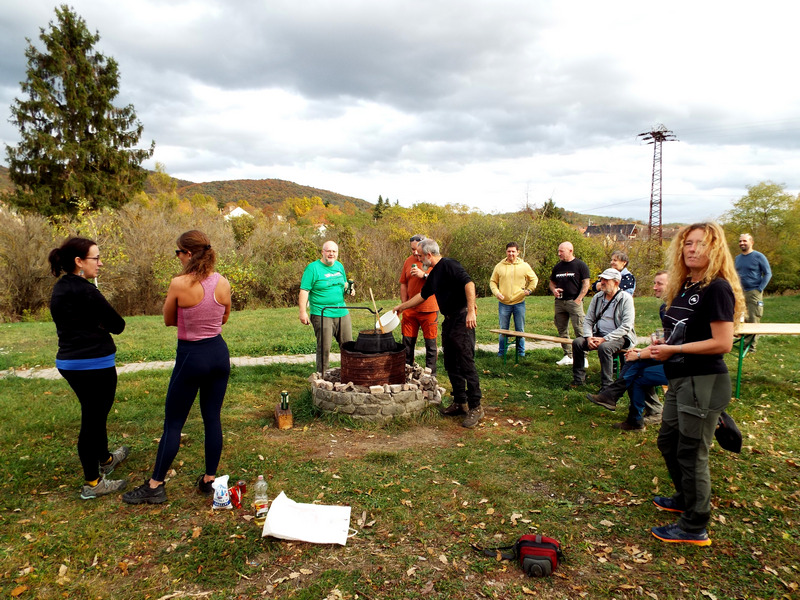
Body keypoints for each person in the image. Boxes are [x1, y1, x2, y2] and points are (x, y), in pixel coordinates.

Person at [649, 222, 744, 546]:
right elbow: (681, 332)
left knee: (691, 452)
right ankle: (685, 498)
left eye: (701, 243)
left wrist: (674, 350)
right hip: (679, 379)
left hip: (703, 380)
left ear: (715, 249)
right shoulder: (685, 285)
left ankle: (695, 525)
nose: (692, 249)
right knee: (669, 442)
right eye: (688, 243)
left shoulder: (717, 288)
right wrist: (662, 346)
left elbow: (723, 343)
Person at [123, 230, 232, 505]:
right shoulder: (222, 282)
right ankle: (209, 479)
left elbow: (169, 319)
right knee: (212, 418)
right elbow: (224, 318)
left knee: (173, 422)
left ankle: (155, 485)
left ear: (188, 254)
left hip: (191, 355)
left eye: (178, 252)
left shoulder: (179, 284)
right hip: (218, 354)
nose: (178, 257)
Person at [48, 237, 129, 500]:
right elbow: (118, 325)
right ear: (79, 261)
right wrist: (99, 324)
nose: (100, 263)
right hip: (93, 364)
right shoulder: (87, 291)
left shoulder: (60, 288)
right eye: (96, 258)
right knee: (93, 419)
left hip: (69, 362)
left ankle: (105, 459)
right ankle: (93, 483)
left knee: (95, 412)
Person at [393, 239, 483, 429]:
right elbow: (422, 296)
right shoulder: (434, 273)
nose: (418, 258)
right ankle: (460, 402)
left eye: (420, 255)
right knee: (450, 362)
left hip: (462, 319)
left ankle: (476, 406)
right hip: (449, 320)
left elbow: (469, 284)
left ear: (429, 254)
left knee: (466, 362)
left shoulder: (449, 264)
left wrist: (471, 311)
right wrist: (402, 306)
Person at [587, 271, 671, 430]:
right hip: (668, 354)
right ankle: (626, 407)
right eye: (654, 283)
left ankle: (619, 403)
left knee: (635, 371)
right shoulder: (664, 308)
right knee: (633, 365)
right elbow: (668, 340)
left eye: (659, 283)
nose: (654, 287)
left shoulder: (680, 309)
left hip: (682, 362)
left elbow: (676, 345)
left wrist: (640, 354)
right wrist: (644, 350)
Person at [568, 268, 636, 390]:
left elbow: (626, 326)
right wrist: (589, 337)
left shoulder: (626, 298)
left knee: (605, 348)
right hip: (598, 334)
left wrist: (605, 339)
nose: (602, 282)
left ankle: (607, 386)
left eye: (606, 280)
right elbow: (588, 319)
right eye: (602, 279)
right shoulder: (598, 297)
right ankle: (578, 380)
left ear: (616, 282)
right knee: (577, 342)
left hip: (619, 337)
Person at [298, 240, 353, 375]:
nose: (331, 254)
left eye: (334, 251)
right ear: (322, 252)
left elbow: (344, 284)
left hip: (342, 312)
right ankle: (322, 376)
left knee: (349, 346)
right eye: (328, 251)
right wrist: (303, 312)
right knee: (324, 348)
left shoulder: (339, 266)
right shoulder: (312, 268)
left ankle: (350, 373)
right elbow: (304, 291)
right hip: (322, 313)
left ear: (337, 253)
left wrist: (350, 290)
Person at [489, 242, 538, 358]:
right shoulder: (499, 266)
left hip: (519, 303)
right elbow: (492, 282)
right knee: (503, 330)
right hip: (504, 303)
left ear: (518, 252)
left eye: (513, 251)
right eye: (509, 251)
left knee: (520, 330)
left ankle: (521, 353)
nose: (511, 253)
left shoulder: (524, 266)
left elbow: (534, 279)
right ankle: (502, 353)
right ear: (506, 252)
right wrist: (497, 292)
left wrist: (529, 290)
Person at [399, 235, 439, 374]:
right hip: (410, 310)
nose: (415, 252)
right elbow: (403, 283)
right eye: (412, 249)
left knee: (430, 344)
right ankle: (407, 372)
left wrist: (424, 275)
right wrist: (404, 305)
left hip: (429, 309)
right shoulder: (408, 261)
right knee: (407, 343)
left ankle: (431, 375)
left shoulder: (432, 261)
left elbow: (439, 281)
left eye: (417, 249)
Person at [549, 242, 591, 366]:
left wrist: (579, 299)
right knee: (562, 330)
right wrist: (554, 290)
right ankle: (568, 355)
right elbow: (552, 282)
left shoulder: (580, 265)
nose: (559, 254)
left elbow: (586, 283)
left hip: (574, 302)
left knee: (580, 329)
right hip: (560, 302)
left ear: (570, 250)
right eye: (558, 251)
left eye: (561, 251)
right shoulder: (558, 267)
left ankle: (583, 357)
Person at [734, 233, 771, 352]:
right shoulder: (738, 258)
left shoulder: (759, 256)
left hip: (753, 291)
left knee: (753, 318)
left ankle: (751, 347)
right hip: (740, 292)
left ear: (751, 242)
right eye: (740, 241)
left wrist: (759, 289)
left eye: (744, 241)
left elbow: (768, 273)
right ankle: (743, 343)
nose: (742, 243)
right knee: (741, 318)